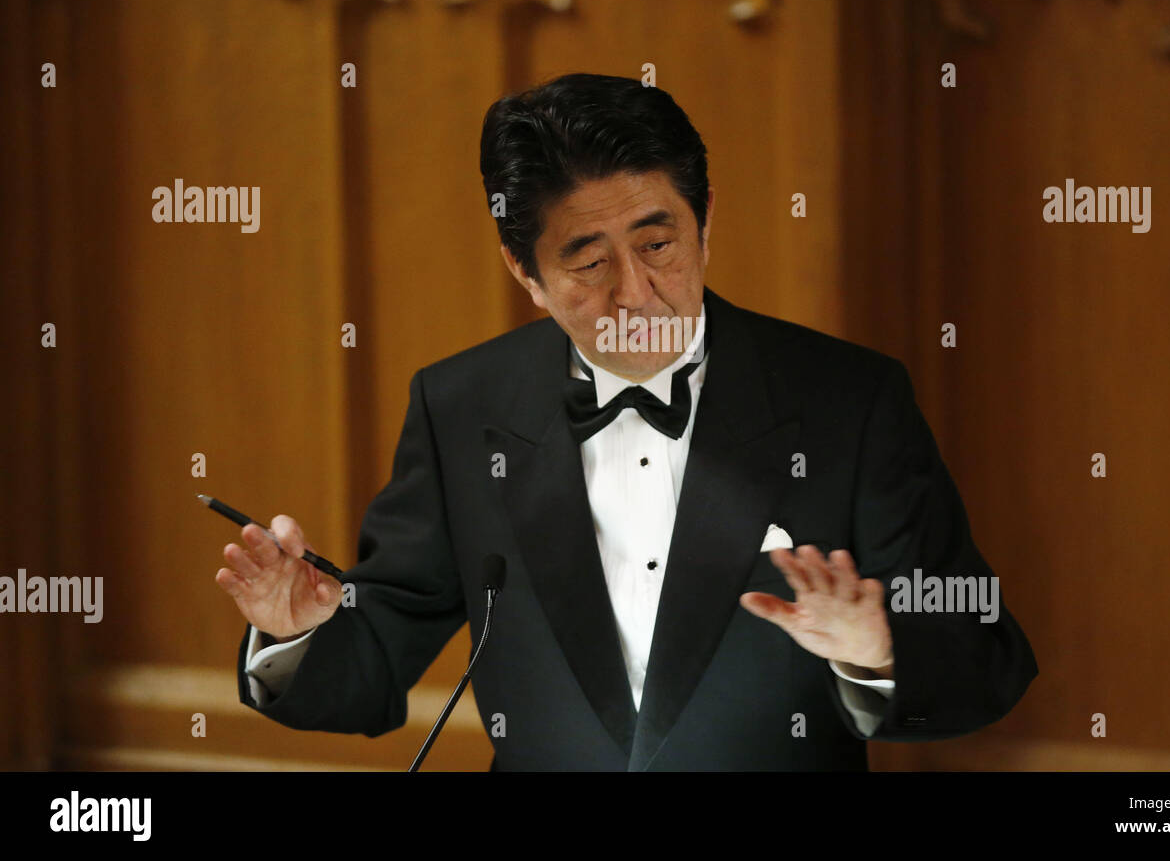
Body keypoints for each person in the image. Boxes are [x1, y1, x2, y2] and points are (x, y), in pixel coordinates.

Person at [215, 73, 1037, 770]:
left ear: (705, 218)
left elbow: (985, 662)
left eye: (658, 243)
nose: (635, 294)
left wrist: (879, 647)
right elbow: (373, 666)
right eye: (586, 261)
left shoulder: (850, 401)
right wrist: (298, 636)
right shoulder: (460, 407)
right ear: (523, 270)